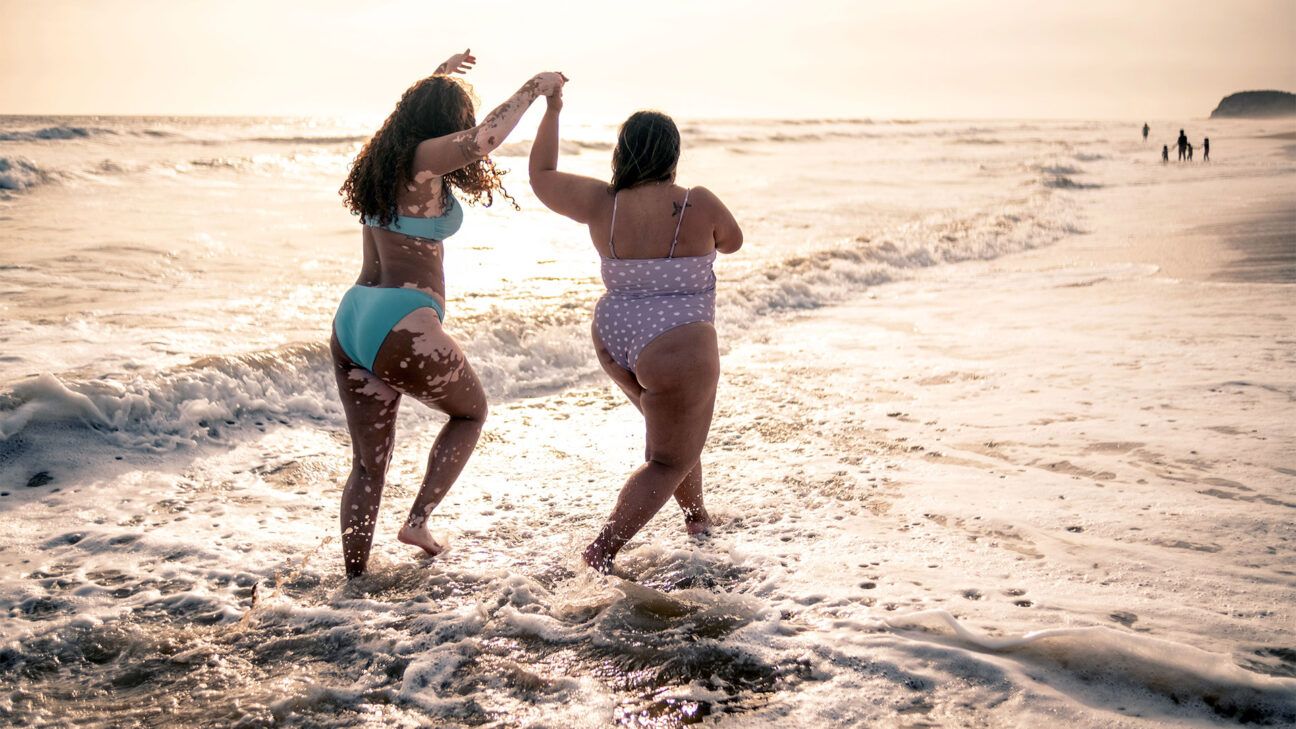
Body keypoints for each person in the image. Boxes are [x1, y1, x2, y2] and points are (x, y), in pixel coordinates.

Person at [332, 49, 566, 577]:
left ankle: (353, 581)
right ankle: (418, 520)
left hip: (353, 319)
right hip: (401, 317)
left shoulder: (383, 159)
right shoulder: (418, 160)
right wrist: (536, 86)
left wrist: (437, 76)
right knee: (471, 413)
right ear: (442, 125)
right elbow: (485, 138)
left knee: (369, 466)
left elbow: (410, 116)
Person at [528, 96, 743, 573]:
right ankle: (602, 549)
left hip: (615, 335)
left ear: (621, 152)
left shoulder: (602, 201)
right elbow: (733, 241)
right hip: (678, 339)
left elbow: (540, 176)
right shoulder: (696, 201)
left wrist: (554, 110)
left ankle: (696, 518)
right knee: (668, 457)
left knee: (674, 438)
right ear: (672, 155)